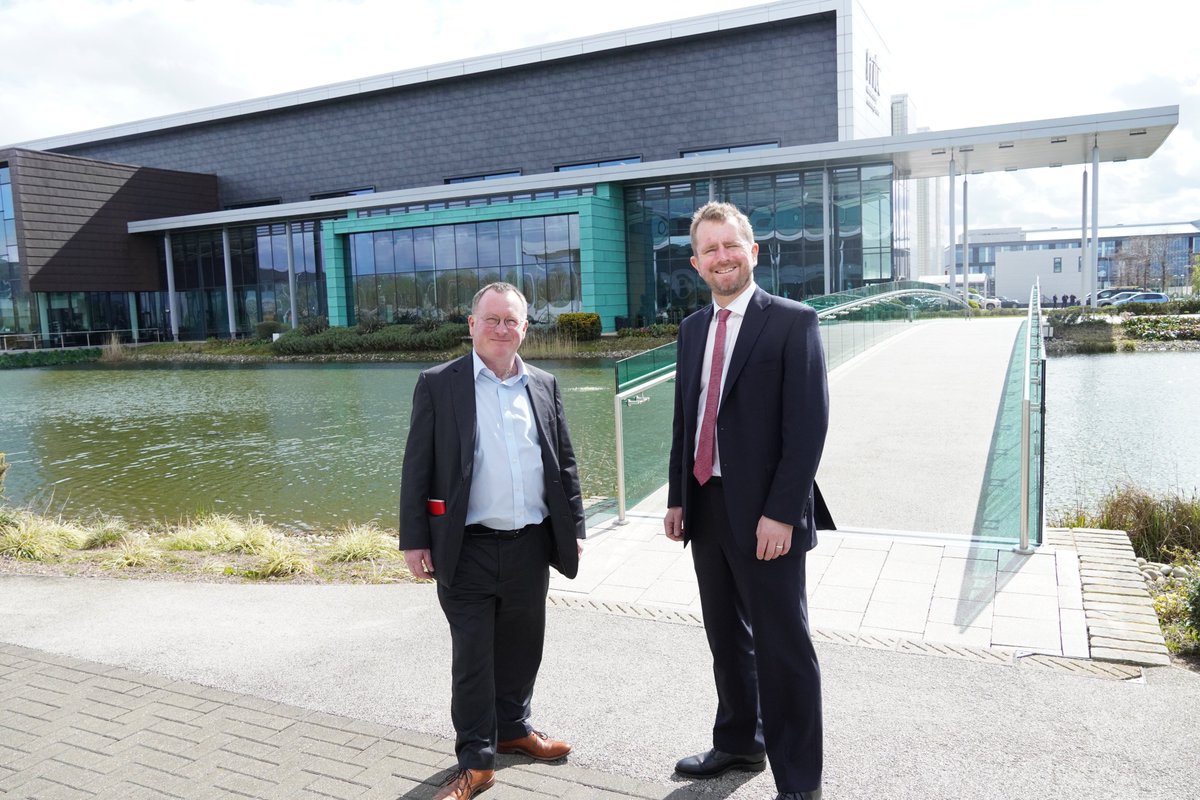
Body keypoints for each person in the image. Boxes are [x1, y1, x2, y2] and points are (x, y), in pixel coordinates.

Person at [664, 202, 832, 800]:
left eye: (730, 245)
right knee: (725, 636)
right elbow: (687, 419)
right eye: (709, 250)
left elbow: (808, 426)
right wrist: (678, 496)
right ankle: (740, 741)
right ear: (696, 263)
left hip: (767, 514)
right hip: (706, 505)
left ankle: (799, 781)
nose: (721, 257)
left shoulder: (793, 322)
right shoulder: (690, 330)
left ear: (753, 251)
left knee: (784, 646)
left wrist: (783, 512)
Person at [400, 282, 586, 800]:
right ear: (472, 324)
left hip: (530, 545)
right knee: (474, 658)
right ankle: (476, 762)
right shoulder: (440, 383)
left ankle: (514, 729)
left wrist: (573, 528)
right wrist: (415, 540)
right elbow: (416, 468)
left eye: (512, 321)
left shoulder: (544, 384)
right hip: (466, 547)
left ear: (526, 328)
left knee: (525, 648)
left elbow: (563, 465)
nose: (502, 329)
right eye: (492, 319)